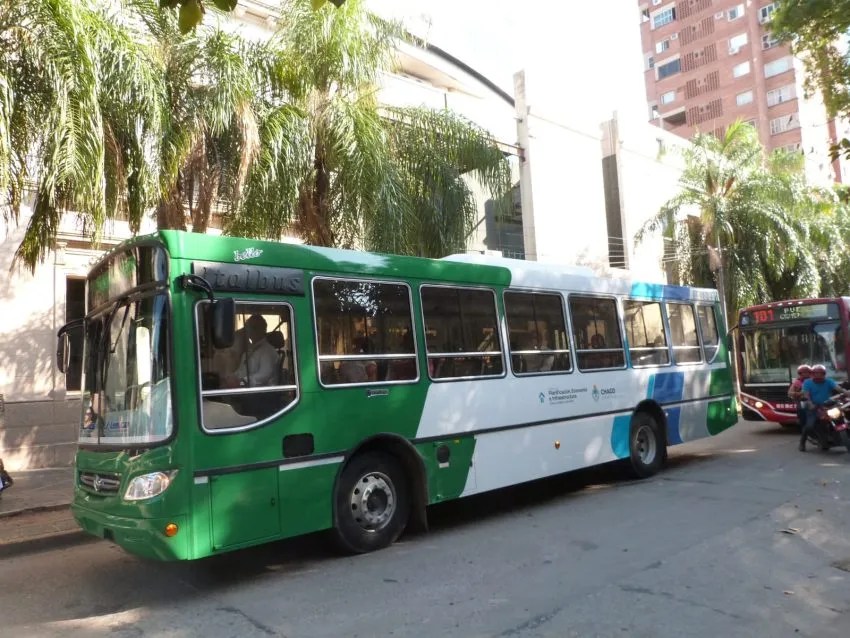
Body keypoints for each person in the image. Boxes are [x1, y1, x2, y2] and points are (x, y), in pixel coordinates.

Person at [224, 314, 279, 388]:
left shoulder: (268, 351)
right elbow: (241, 371)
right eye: (247, 328)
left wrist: (243, 381)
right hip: (245, 389)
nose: (247, 331)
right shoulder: (250, 350)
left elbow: (265, 374)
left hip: (260, 394)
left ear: (261, 329)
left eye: (250, 328)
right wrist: (231, 377)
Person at [799, 364, 842, 451]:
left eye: (820, 373)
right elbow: (806, 395)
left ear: (824, 374)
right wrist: (810, 403)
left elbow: (839, 388)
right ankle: (802, 442)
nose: (818, 375)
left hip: (827, 406)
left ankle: (826, 441)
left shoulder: (829, 381)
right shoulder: (807, 382)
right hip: (813, 407)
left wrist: (846, 392)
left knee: (834, 420)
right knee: (809, 426)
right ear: (812, 374)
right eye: (815, 373)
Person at [787, 364, 811, 429]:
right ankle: (804, 433)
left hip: (814, 401)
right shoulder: (797, 382)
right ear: (800, 373)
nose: (806, 374)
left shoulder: (814, 381)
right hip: (802, 402)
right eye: (803, 372)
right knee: (802, 415)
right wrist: (799, 393)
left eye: (807, 372)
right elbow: (789, 393)